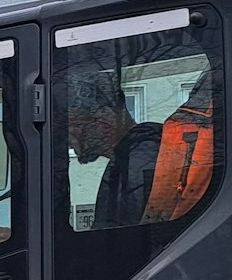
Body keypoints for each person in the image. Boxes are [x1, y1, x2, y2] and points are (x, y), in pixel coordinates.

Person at [65, 70, 215, 229]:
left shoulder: (138, 159)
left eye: (76, 124)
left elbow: (125, 238)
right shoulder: (143, 148)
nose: (70, 136)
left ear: (104, 119)